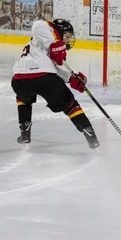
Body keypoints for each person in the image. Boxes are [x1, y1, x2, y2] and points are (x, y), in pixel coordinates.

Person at [11, 18, 99, 149]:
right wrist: (55, 44)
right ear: (59, 32)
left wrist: (71, 78)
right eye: (67, 36)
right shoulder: (45, 29)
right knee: (70, 104)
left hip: (20, 80)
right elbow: (37, 24)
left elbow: (51, 69)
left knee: (23, 97)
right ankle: (90, 134)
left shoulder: (40, 46)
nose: (68, 41)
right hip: (45, 79)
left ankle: (25, 131)